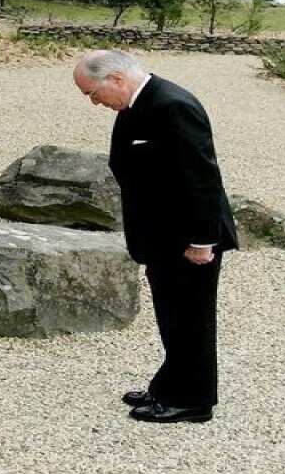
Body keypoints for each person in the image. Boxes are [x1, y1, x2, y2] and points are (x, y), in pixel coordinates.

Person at [73, 50, 238, 424]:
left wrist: (201, 240)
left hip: (188, 238)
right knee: (171, 315)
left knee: (190, 318)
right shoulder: (137, 104)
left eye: (92, 93)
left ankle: (193, 401)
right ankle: (170, 386)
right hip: (162, 236)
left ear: (115, 79)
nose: (94, 102)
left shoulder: (172, 105)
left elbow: (201, 176)